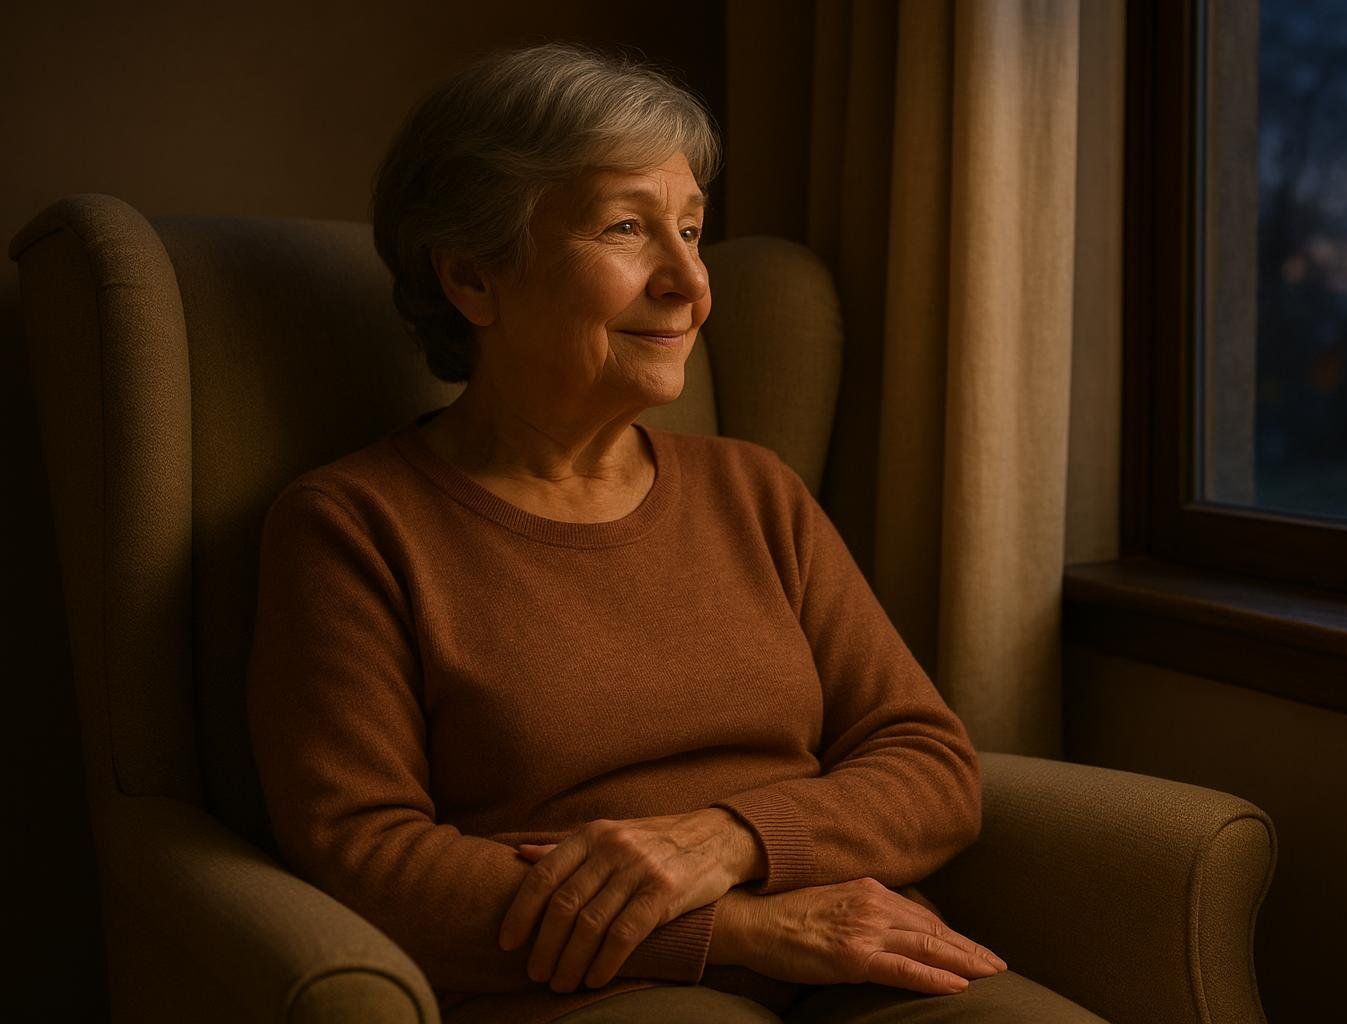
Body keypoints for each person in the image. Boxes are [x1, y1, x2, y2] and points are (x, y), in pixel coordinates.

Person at [246, 42, 1086, 1024]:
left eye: (691, 229)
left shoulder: (754, 491)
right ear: (474, 278)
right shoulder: (353, 528)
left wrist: (729, 839)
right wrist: (729, 929)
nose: (689, 282)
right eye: (627, 227)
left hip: (867, 960)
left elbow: (932, 765)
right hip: (597, 989)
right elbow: (366, 857)